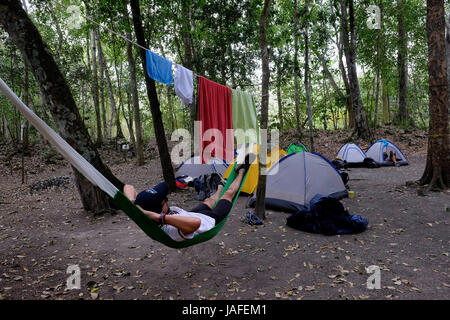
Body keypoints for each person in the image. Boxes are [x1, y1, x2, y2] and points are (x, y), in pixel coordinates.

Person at [123, 154, 255, 242]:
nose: (167, 200)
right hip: (209, 221)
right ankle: (242, 171)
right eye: (165, 200)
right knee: (228, 194)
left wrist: (133, 205)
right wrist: (159, 217)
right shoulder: (172, 229)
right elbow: (196, 223)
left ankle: (220, 185)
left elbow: (128, 187)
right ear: (159, 210)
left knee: (208, 200)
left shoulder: (145, 210)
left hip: (192, 213)